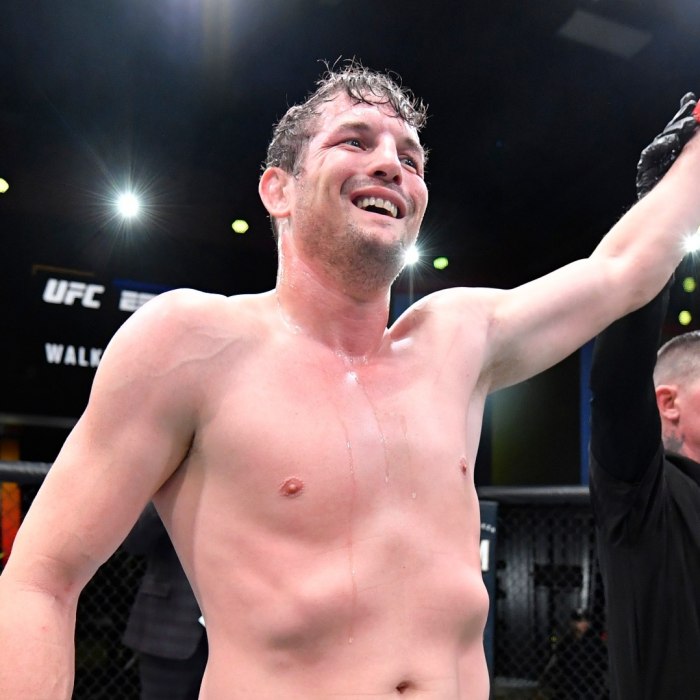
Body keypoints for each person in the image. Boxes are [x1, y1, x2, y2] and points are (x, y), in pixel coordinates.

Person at [0, 61, 699, 700]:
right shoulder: (191, 343)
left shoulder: (456, 338)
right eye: (355, 141)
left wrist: (691, 160)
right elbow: (40, 580)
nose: (391, 164)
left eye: (410, 158)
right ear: (278, 189)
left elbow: (622, 271)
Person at [121, 502, 207, 700]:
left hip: (243, 631)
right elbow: (133, 541)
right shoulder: (159, 485)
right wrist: (168, 496)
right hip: (170, 627)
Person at [537, 608, 607, 700]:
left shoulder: (595, 642)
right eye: (579, 621)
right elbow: (556, 662)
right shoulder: (566, 642)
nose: (584, 624)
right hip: (570, 687)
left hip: (590, 687)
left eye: (586, 620)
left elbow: (603, 664)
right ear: (572, 623)